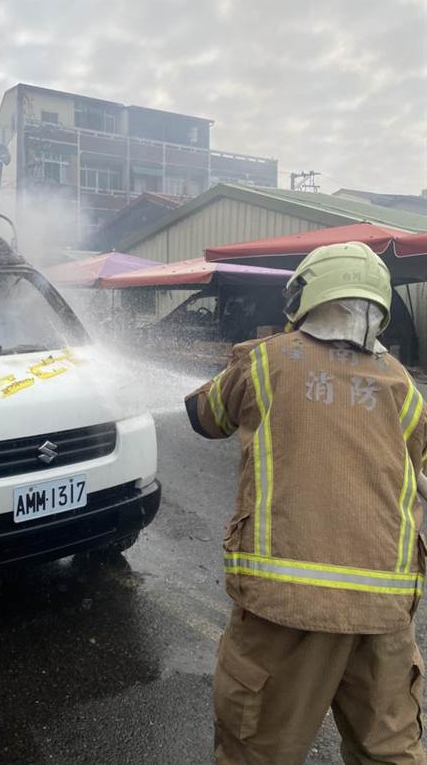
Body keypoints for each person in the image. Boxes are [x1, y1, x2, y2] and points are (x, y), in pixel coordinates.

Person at [185, 242, 427, 764]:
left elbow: (204, 416)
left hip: (286, 609)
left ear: (305, 294)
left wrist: (241, 356)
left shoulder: (267, 361)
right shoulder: (405, 387)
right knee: (389, 752)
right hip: (384, 614)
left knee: (258, 749)